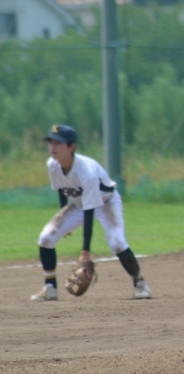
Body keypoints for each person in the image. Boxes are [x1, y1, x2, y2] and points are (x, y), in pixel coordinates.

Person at [30, 124, 152, 301]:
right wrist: (63, 218)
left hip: (106, 202)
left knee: (117, 242)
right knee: (46, 237)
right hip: (79, 203)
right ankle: (50, 287)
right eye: (50, 142)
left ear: (71, 147)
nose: (52, 147)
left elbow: (89, 212)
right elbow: (63, 188)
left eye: (58, 143)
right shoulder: (52, 164)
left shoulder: (86, 172)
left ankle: (140, 283)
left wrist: (85, 252)